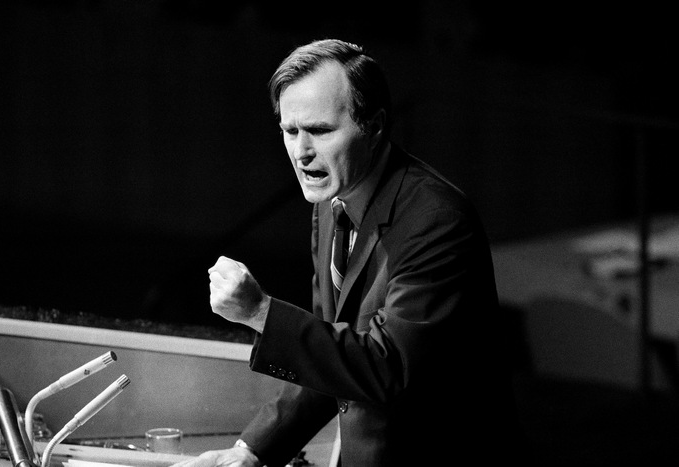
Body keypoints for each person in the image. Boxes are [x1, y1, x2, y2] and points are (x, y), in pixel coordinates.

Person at [172, 38, 524, 467]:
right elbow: (330, 349)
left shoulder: (437, 220)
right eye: (290, 131)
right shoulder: (331, 200)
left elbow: (387, 368)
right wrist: (251, 451)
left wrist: (261, 312)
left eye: (320, 131)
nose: (301, 152)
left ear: (374, 127)